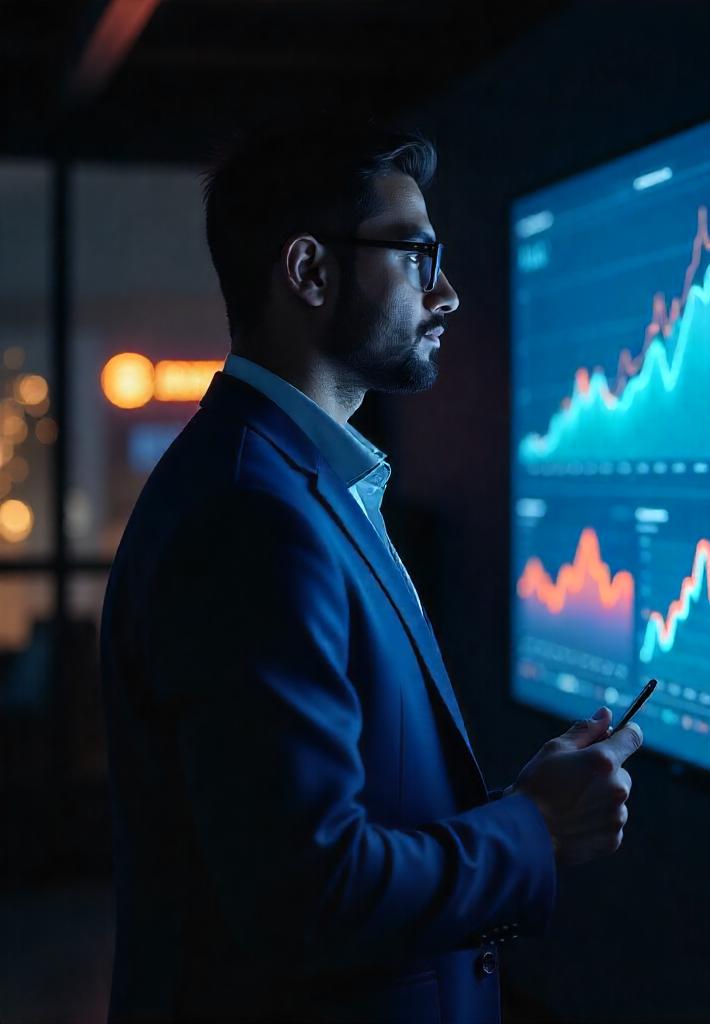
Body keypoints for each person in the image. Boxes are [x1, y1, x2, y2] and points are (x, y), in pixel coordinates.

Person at [100, 112, 643, 1024]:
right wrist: (534, 828)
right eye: (416, 256)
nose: (449, 295)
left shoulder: (285, 480)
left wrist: (517, 813)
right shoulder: (252, 517)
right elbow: (309, 894)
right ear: (310, 271)